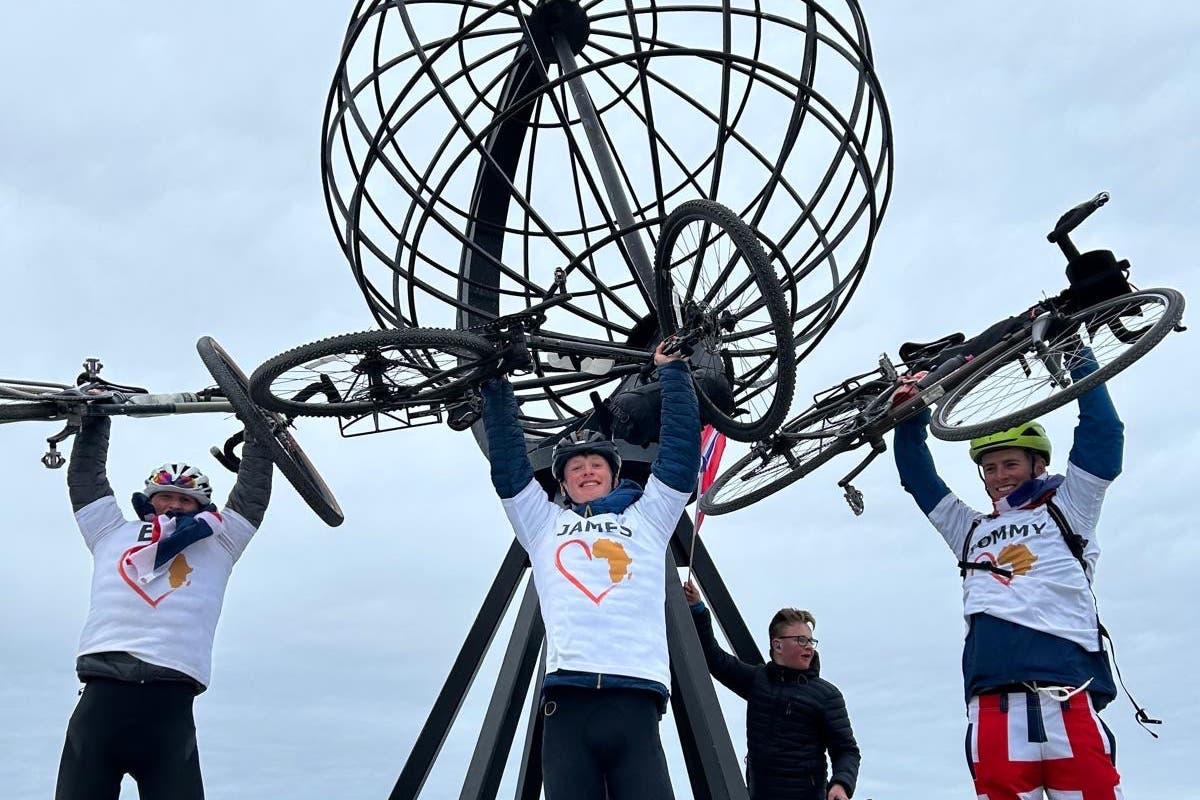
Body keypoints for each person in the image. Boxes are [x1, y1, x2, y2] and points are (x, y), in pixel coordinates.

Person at [892, 348, 1124, 799]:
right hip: (994, 704)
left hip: (1069, 694)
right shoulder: (971, 528)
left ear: (1038, 464)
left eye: (1010, 464)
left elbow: (1104, 435)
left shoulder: (1070, 507)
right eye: (989, 468)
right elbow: (919, 480)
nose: (999, 476)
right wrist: (909, 419)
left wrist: (1078, 355)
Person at [480, 340, 699, 800]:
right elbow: (509, 470)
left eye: (595, 463)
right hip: (568, 700)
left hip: (636, 698)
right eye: (575, 467)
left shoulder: (647, 519)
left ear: (614, 475)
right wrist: (496, 385)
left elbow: (679, 460)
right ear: (562, 483)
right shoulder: (543, 525)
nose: (586, 471)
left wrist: (674, 375)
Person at [55, 413, 272, 800]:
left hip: (171, 704)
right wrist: (96, 420)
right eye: (166, 496)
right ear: (149, 499)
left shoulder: (220, 541)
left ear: (201, 506)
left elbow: (251, 495)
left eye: (186, 500)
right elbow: (86, 481)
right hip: (102, 696)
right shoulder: (110, 531)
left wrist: (259, 432)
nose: (174, 505)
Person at [682, 581, 861, 800]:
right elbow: (715, 660)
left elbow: (846, 750)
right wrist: (698, 610)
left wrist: (841, 784)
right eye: (801, 640)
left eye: (811, 640)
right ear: (777, 645)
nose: (809, 646)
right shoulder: (758, 681)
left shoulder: (827, 696)